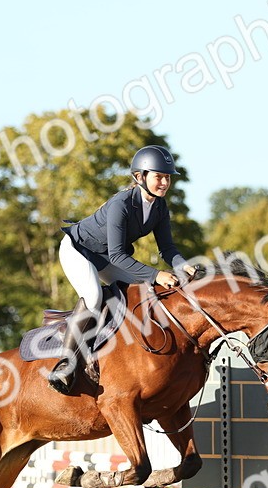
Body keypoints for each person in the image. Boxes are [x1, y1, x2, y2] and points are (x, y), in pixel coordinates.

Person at [48, 144, 195, 394]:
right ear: (140, 177)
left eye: (167, 177)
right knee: (94, 296)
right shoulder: (122, 204)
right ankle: (65, 363)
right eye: (159, 176)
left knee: (142, 291)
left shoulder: (160, 207)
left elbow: (167, 248)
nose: (164, 183)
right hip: (78, 250)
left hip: (106, 255)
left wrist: (184, 266)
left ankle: (115, 353)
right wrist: (157, 274)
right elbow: (118, 254)